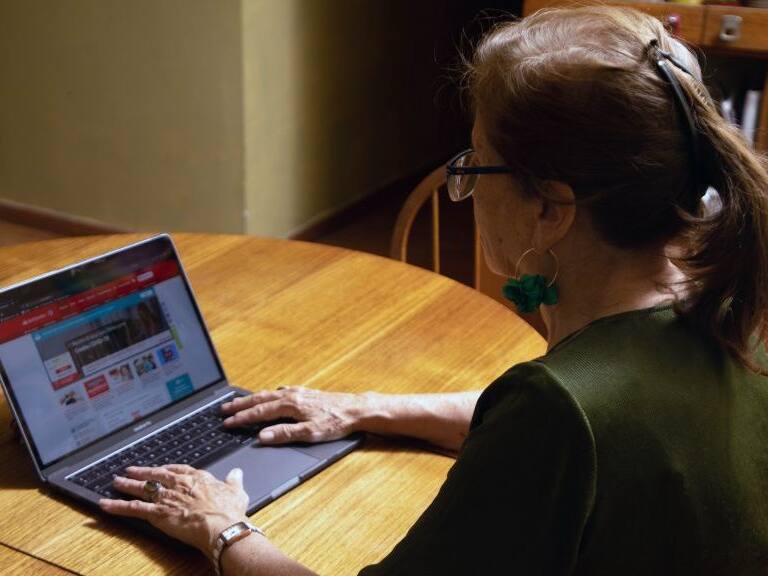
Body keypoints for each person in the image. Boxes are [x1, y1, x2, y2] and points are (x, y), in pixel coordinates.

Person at [99, 6, 768, 574]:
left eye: (476, 162)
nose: (467, 187)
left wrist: (221, 529)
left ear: (550, 209)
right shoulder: (732, 312)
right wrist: (362, 407)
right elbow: (570, 434)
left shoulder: (559, 412)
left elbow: (564, 426)